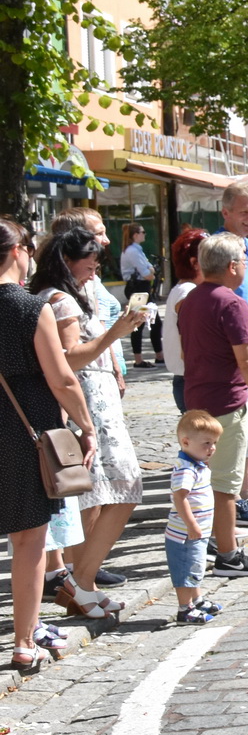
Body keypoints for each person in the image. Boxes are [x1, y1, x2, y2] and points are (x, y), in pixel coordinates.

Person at [29, 227, 146, 620]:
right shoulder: (60, 300)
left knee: (93, 496)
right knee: (124, 487)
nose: (95, 269)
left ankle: (84, 584)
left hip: (93, 399)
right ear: (67, 261)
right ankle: (80, 580)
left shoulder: (60, 294)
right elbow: (68, 359)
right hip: (88, 402)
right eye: (90, 263)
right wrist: (116, 332)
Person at [0, 219, 97, 672]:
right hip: (24, 431)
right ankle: (24, 641)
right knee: (29, 541)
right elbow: (61, 378)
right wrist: (86, 425)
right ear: (18, 251)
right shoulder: (29, 307)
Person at [177, 233, 248, 578]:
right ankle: (228, 555)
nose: (246, 266)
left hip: (197, 398)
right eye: (244, 261)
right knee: (224, 485)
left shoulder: (191, 299)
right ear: (232, 266)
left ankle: (211, 542)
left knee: (205, 479)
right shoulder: (232, 303)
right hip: (225, 401)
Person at [165, 411, 225, 624]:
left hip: (197, 530)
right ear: (186, 442)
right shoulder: (186, 470)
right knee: (186, 569)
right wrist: (191, 525)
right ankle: (185, 608)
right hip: (184, 534)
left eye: (214, 443)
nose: (212, 448)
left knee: (196, 565)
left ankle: (197, 600)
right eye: (206, 443)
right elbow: (179, 498)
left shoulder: (198, 465)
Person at [162, 227, 206, 412]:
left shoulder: (185, 289)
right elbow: (189, 347)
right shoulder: (188, 292)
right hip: (193, 380)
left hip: (189, 379)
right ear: (195, 263)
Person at [119, 223, 161, 367]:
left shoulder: (137, 250)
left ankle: (159, 356)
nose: (145, 234)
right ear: (135, 235)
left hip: (142, 288)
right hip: (137, 289)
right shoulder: (132, 251)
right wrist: (151, 272)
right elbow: (147, 273)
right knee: (138, 322)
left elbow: (150, 269)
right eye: (143, 232)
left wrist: (150, 271)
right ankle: (138, 360)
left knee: (155, 321)